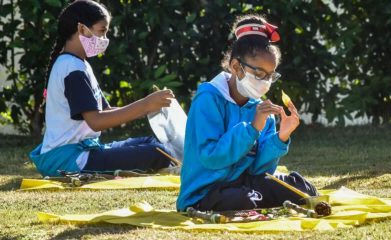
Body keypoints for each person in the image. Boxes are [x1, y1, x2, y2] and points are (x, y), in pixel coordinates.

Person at [177, 14, 318, 212]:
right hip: (206, 192)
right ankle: (254, 198)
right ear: (236, 66)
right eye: (259, 74)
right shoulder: (208, 99)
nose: (265, 82)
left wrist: (281, 137)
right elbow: (211, 157)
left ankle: (255, 197)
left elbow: (260, 170)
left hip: (245, 185)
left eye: (270, 75)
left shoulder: (262, 109)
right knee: (240, 200)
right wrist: (252, 129)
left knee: (302, 189)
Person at [30, 0, 174, 177]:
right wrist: (145, 105)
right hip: (70, 159)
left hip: (83, 151)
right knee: (157, 151)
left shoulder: (78, 64)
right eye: (102, 31)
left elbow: (106, 111)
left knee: (155, 143)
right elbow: (96, 121)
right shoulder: (72, 69)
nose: (105, 39)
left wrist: (149, 107)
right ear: (82, 29)